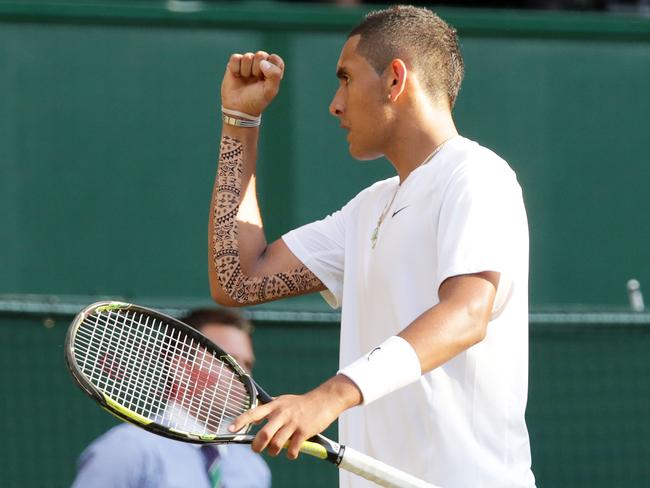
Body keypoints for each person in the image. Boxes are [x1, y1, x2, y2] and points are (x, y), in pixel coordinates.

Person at [208, 5, 535, 488]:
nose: (334, 104)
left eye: (345, 78)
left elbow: (468, 314)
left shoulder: (477, 175)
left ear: (395, 80)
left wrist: (330, 396)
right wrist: (240, 120)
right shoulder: (368, 210)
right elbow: (237, 278)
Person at [71, 308, 271, 488]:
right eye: (229, 361)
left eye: (247, 364)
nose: (244, 376)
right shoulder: (127, 450)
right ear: (180, 368)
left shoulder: (254, 469)